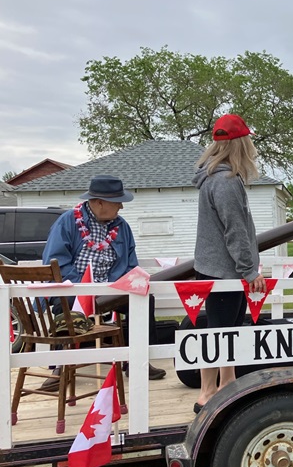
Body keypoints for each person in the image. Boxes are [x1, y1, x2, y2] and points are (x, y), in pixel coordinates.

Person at [40, 175, 167, 387]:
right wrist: (84, 288)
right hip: (73, 290)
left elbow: (130, 265)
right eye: (118, 202)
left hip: (110, 291)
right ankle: (60, 366)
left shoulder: (122, 227)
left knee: (145, 301)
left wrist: (130, 283)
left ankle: (138, 362)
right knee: (66, 305)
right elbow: (55, 263)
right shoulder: (68, 222)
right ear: (99, 202)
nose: (121, 208)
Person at [193, 113, 266, 413]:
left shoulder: (212, 178)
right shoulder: (226, 181)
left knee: (222, 331)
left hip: (212, 268)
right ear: (241, 145)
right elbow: (235, 230)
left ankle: (226, 385)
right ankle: (208, 393)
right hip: (225, 272)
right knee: (223, 332)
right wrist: (249, 270)